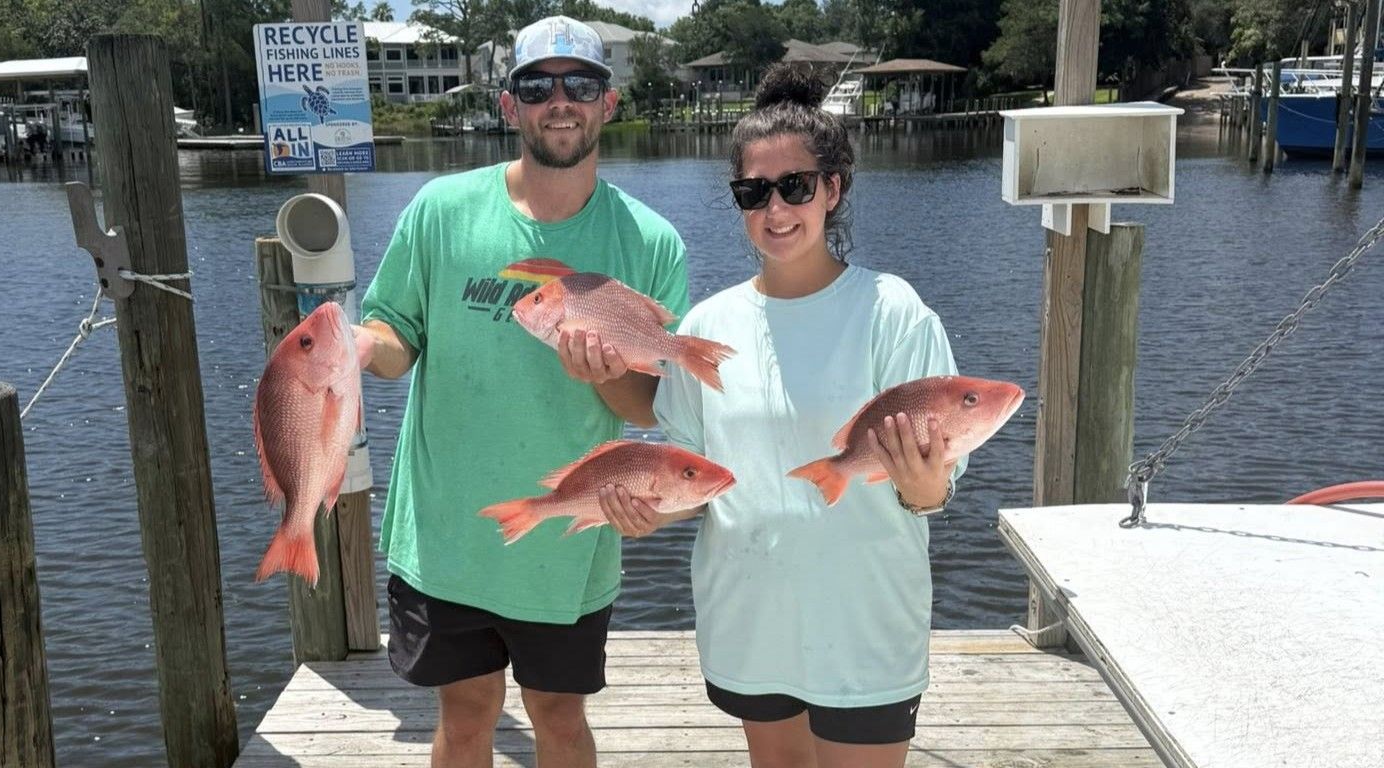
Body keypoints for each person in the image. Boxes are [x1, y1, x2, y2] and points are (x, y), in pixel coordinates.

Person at [598, 63, 964, 768]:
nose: (775, 210)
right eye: (752, 191)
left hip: (865, 622)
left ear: (833, 188)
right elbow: (693, 474)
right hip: (749, 615)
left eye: (794, 187)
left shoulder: (893, 312)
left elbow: (933, 491)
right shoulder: (709, 322)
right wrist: (644, 512)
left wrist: (923, 486)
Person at [356, 15, 689, 768]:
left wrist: (611, 379)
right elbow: (395, 333)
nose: (560, 101)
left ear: (609, 104)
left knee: (560, 719)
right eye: (538, 85)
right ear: (511, 106)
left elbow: (651, 409)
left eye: (582, 85)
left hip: (565, 542)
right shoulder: (440, 211)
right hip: (447, 534)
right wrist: (353, 348)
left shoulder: (652, 242)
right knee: (467, 717)